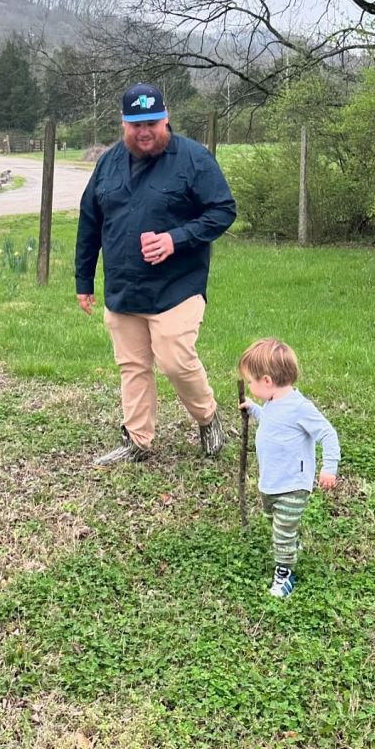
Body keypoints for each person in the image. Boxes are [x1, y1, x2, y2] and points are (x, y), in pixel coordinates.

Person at [76, 82, 237, 466]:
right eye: (136, 124)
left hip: (177, 287)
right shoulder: (108, 163)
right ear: (123, 124)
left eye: (152, 122)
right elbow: (89, 221)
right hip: (124, 287)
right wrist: (84, 281)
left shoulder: (194, 159)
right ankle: (138, 441)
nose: (144, 131)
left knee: (174, 359)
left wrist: (175, 239)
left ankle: (208, 416)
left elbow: (222, 210)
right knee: (132, 366)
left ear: (166, 119)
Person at [238, 337, 340, 598]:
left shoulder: (300, 408)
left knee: (281, 531)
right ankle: (289, 541)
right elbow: (273, 423)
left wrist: (329, 467)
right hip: (271, 481)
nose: (249, 384)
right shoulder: (272, 403)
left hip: (293, 484)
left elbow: (327, 434)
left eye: (251, 380)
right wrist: (254, 409)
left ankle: (284, 572)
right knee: (274, 522)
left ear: (267, 381)